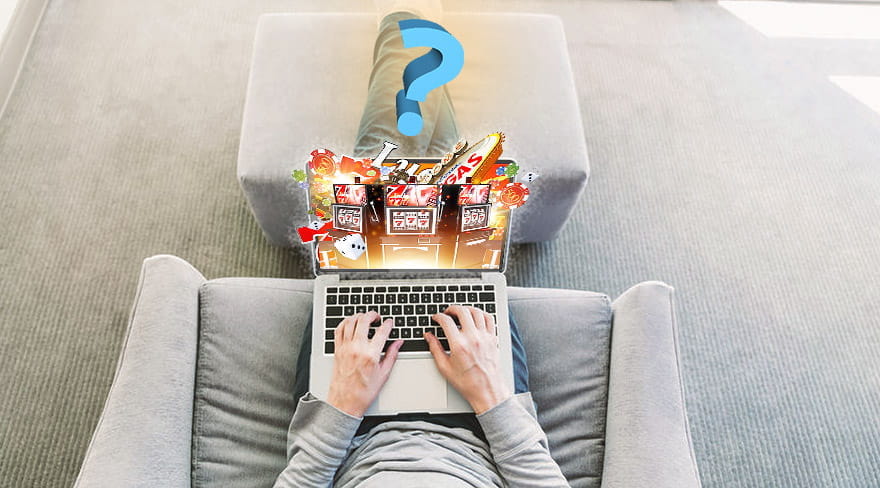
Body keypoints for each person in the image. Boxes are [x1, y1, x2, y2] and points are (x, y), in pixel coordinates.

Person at [273, 4, 570, 487]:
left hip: (351, 434)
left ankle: (407, 32)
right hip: (485, 429)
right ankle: (417, 39)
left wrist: (344, 404)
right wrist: (491, 395)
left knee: (381, 180)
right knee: (445, 188)